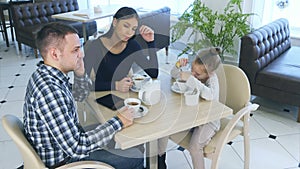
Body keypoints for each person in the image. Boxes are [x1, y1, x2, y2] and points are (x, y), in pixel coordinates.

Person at [23, 22, 144, 169]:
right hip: (65, 162)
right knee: (136, 156)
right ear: (55, 54)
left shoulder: (47, 75)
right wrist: (119, 121)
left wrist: (80, 74)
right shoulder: (49, 91)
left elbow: (80, 96)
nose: (82, 54)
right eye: (75, 50)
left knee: (107, 128)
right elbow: (77, 147)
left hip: (64, 147)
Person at [169, 47, 222, 169]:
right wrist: (178, 66)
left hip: (209, 121)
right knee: (165, 129)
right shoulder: (195, 73)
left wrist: (191, 79)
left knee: (194, 147)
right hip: (193, 118)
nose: (193, 73)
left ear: (210, 72)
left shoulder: (212, 80)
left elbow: (210, 95)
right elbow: (175, 74)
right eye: (192, 69)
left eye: (197, 74)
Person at [84, 6, 159, 92]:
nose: (130, 32)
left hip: (123, 97)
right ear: (115, 22)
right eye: (126, 26)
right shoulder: (95, 46)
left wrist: (150, 42)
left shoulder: (132, 46)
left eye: (133, 29)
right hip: (101, 97)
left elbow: (153, 73)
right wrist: (115, 85)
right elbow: (85, 85)